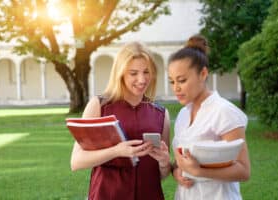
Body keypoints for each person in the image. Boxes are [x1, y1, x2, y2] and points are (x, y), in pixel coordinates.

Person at [70, 41, 171, 200]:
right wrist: (117, 151)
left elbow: (161, 175)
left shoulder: (161, 114)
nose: (142, 79)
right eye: (133, 73)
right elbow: (76, 161)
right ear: (120, 73)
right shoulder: (99, 106)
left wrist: (165, 162)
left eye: (146, 72)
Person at [168, 35, 251, 200]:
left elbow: (243, 170)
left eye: (182, 80)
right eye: (172, 82)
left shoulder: (224, 112)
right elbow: (181, 163)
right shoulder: (183, 115)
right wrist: (176, 171)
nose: (176, 88)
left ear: (203, 73)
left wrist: (198, 171)